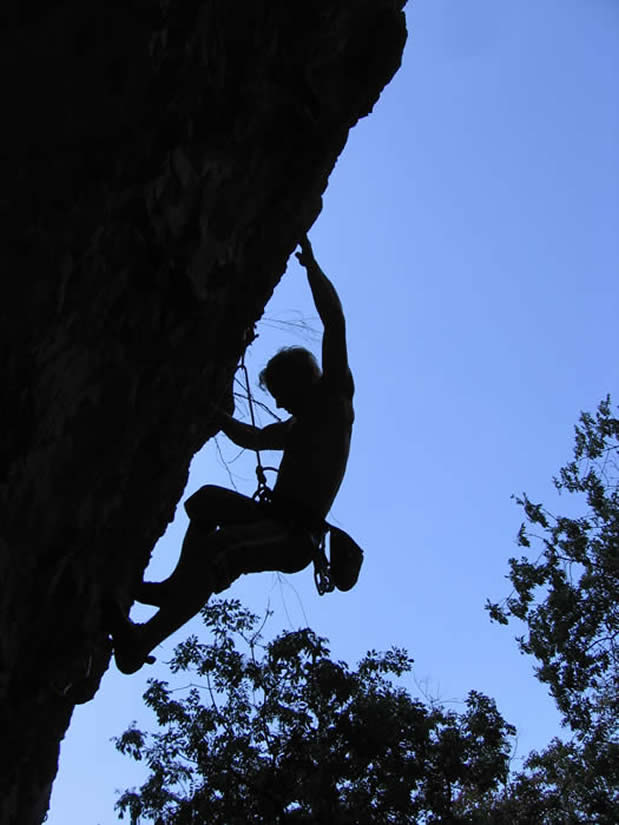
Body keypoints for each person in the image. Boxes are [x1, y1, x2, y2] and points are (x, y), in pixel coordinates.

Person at [112, 235, 355, 674]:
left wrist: (313, 269)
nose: (279, 404)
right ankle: (173, 588)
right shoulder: (300, 424)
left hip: (293, 537)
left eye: (281, 394)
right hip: (275, 519)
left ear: (300, 383)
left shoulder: (334, 404)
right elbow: (253, 439)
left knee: (220, 550)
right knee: (205, 501)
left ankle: (141, 641)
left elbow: (335, 322)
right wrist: (215, 415)